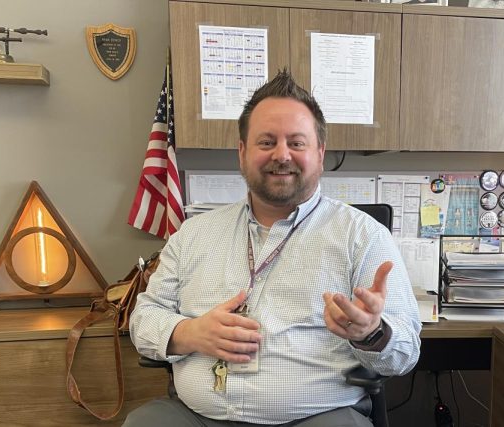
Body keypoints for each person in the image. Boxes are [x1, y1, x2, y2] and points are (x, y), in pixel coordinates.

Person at [124, 70, 421, 426]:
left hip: (317, 417)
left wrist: (370, 333)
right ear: (242, 152)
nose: (282, 155)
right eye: (266, 142)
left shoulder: (364, 236)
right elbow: (142, 319)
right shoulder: (191, 234)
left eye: (297, 143)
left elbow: (405, 353)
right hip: (196, 417)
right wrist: (189, 333)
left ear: (320, 153)